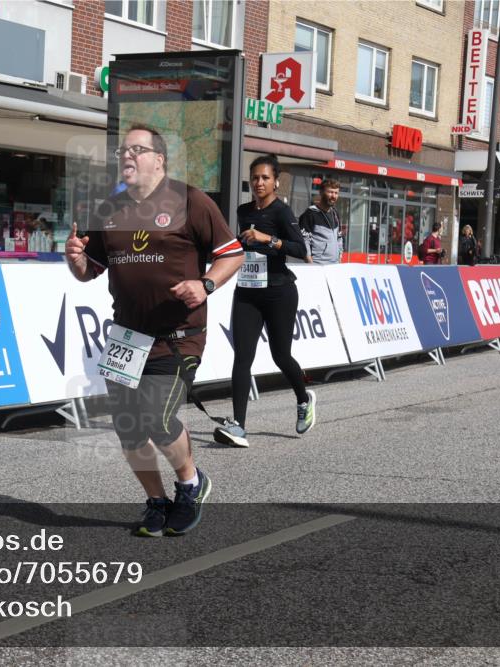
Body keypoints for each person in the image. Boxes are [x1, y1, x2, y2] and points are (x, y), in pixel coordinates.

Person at [65, 124, 243, 537]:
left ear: (159, 159)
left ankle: (190, 484)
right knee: (129, 428)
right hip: (127, 338)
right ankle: (156, 501)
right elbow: (89, 271)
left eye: (136, 150)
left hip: (177, 336)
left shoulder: (190, 201)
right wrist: (75, 260)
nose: (126, 156)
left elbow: (231, 254)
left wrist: (207, 284)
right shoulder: (109, 210)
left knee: (158, 418)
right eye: (122, 151)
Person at [212, 154, 315, 450]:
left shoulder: (282, 212)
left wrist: (267, 239)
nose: (259, 182)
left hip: (279, 292)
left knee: (280, 355)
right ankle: (239, 426)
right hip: (247, 290)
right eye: (255, 177)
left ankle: (304, 399)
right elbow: (241, 245)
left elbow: (299, 247)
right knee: (242, 357)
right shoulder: (243, 210)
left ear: (276, 182)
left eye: (265, 178)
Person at [298, 179, 344, 264]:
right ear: (321, 192)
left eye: (336, 193)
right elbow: (304, 241)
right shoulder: (310, 214)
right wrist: (310, 264)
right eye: (330, 192)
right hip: (318, 265)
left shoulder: (335, 213)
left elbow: (339, 237)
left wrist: (340, 257)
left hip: (335, 265)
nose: (333, 196)